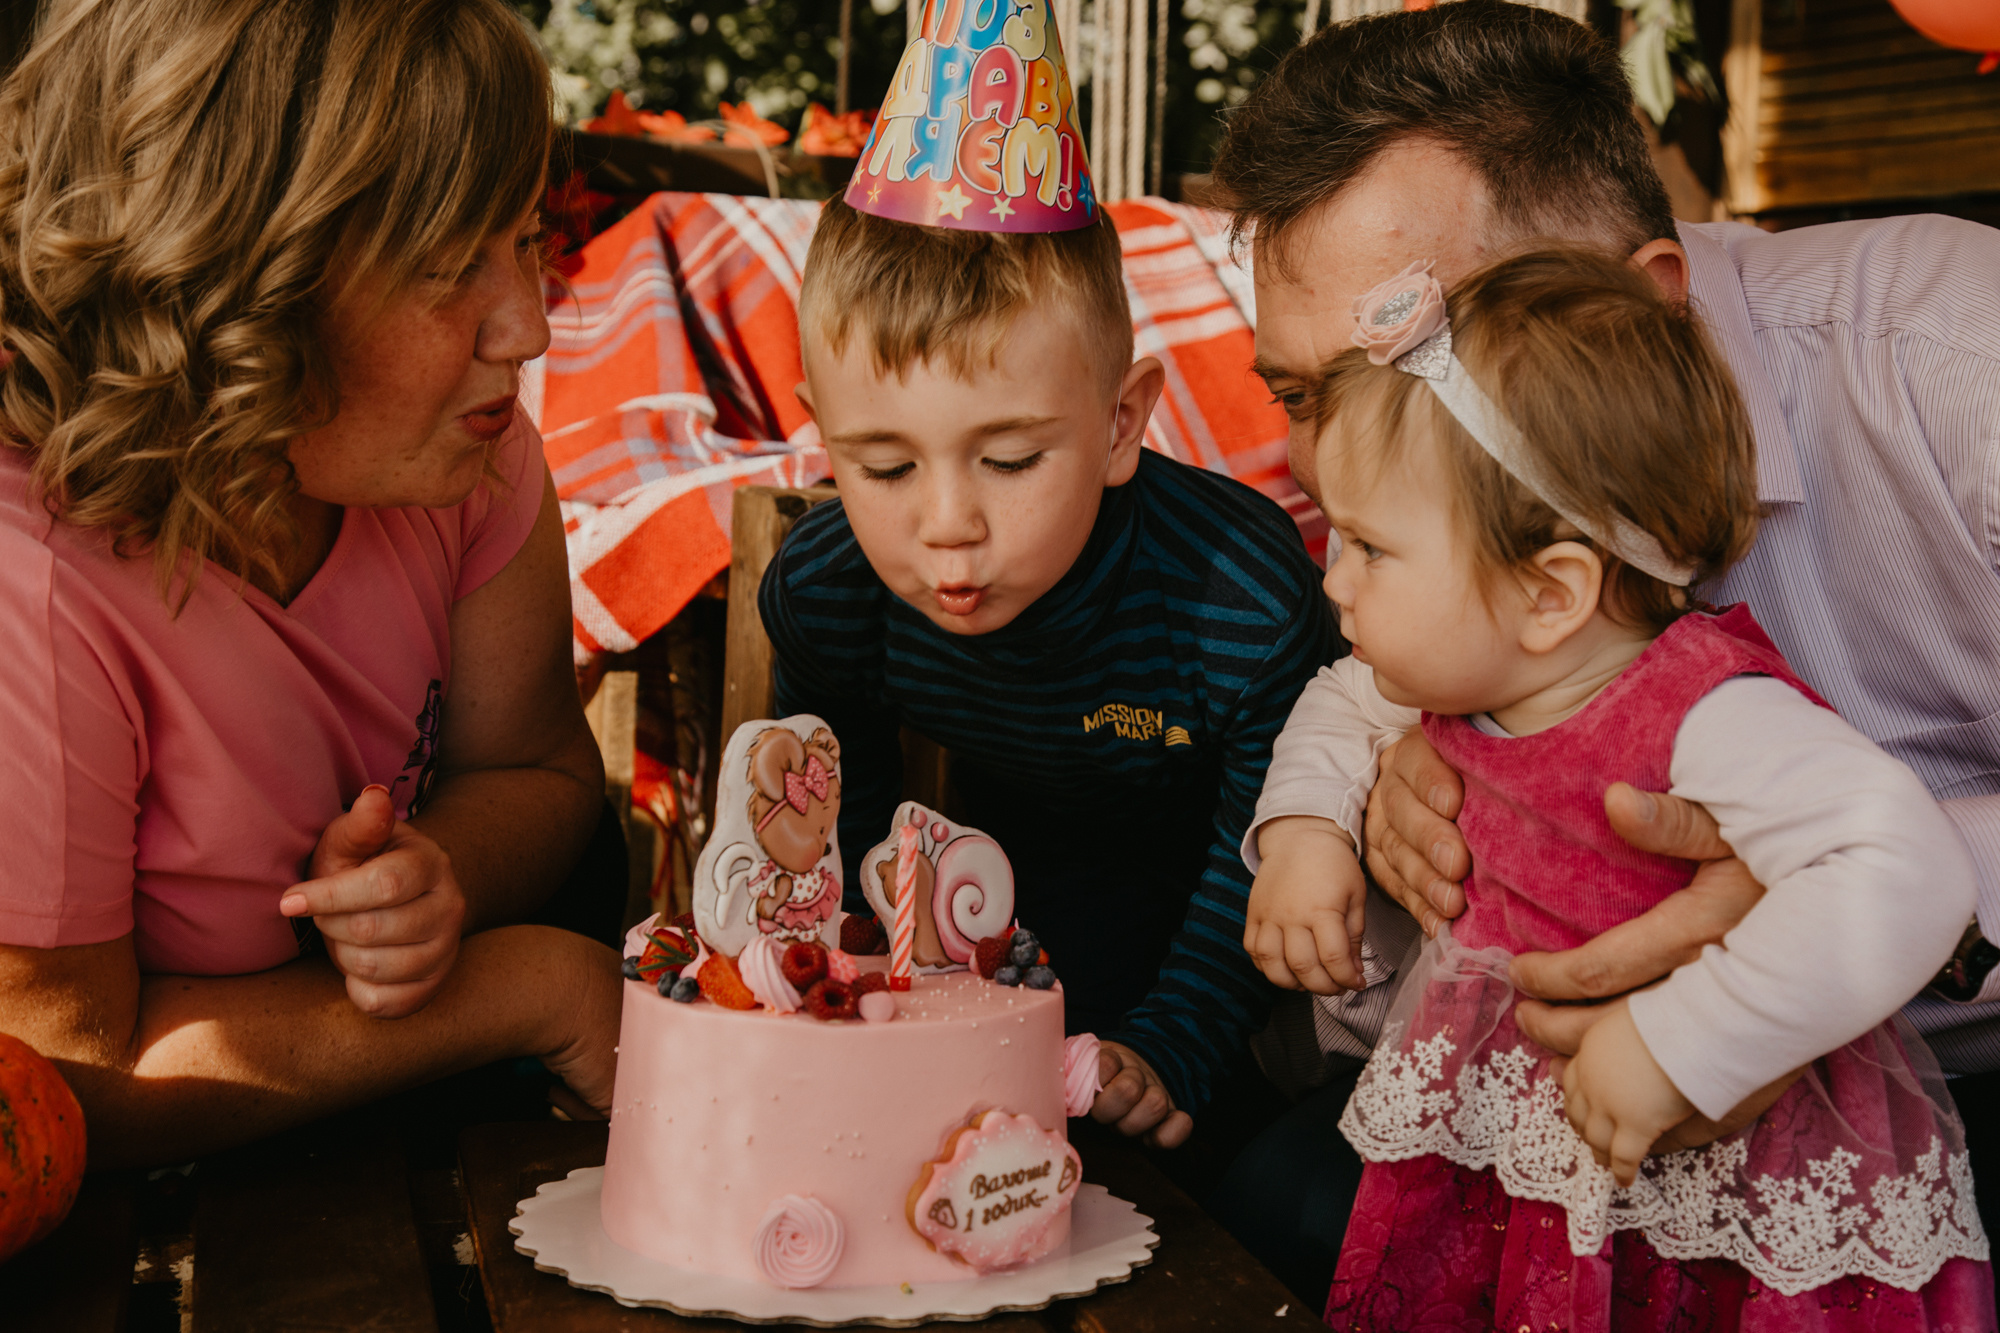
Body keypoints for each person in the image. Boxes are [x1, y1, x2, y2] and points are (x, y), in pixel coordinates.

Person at [1198, 0, 2000, 1308]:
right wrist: (1375, 830)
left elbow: (1878, 869)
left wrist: (1823, 895)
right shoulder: (1400, 535)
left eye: (1415, 367)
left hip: (1937, 1100)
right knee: (1257, 1233)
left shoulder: (1962, 365)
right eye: (1304, 394)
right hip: (1557, 1118)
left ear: (1642, 311)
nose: (1349, 454)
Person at [0, 0, 624, 1169]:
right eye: (448, 267)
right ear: (230, 279)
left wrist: (448, 871)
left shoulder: (469, 449)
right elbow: (53, 1083)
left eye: (528, 239)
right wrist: (526, 986)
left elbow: (537, 768)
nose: (529, 329)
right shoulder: (27, 583)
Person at [759, 184, 1338, 1146]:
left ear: (1121, 423)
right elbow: (839, 821)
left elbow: (1267, 858)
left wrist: (1166, 1049)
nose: (948, 525)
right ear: (823, 432)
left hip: (1226, 937)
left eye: (1013, 459)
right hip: (991, 912)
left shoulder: (1235, 602)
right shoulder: (829, 596)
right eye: (887, 467)